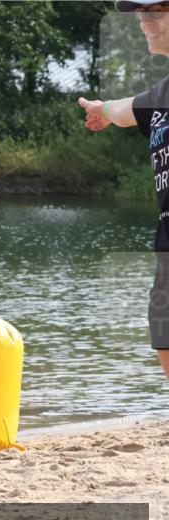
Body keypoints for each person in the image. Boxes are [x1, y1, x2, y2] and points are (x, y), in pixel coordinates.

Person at [78, 0, 168, 380]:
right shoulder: (161, 96)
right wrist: (102, 109)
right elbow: (126, 110)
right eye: (139, 12)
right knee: (164, 337)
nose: (144, 20)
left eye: (158, 9)